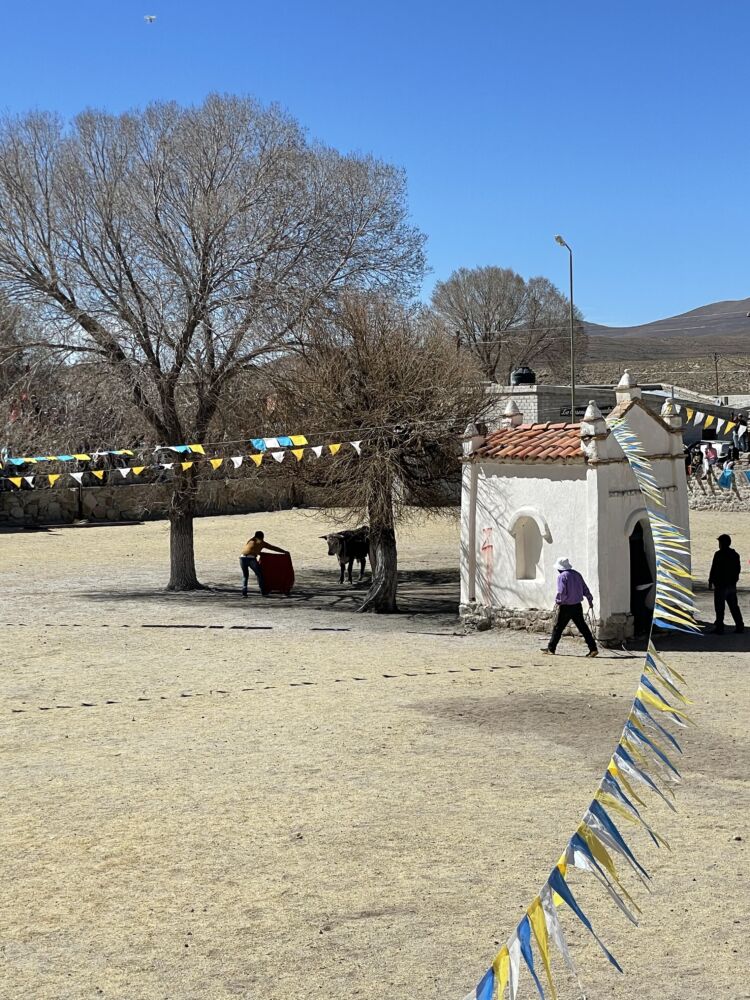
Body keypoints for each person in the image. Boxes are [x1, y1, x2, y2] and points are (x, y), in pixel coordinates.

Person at [542, 557, 598, 657]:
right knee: (583, 627)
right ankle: (593, 648)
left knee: (558, 628)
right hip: (577, 606)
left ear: (560, 568)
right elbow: (585, 588)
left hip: (566, 607)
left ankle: (551, 648)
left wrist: (558, 601)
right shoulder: (577, 574)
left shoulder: (562, 576)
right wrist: (590, 600)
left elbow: (562, 592)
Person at [708, 534, 744, 634]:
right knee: (734, 606)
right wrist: (734, 581)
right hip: (731, 585)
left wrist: (711, 581)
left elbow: (713, 568)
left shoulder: (718, 554)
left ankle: (720, 627)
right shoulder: (735, 555)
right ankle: (739, 625)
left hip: (720, 585)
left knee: (719, 607)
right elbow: (738, 569)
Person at [239, 530, 287, 597]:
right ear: (262, 537)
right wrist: (284, 551)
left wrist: (258, 553)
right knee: (260, 575)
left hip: (242, 558)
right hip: (251, 559)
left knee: (245, 576)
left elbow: (251, 549)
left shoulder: (250, 540)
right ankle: (263, 591)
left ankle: (244, 592)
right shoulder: (261, 542)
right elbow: (273, 548)